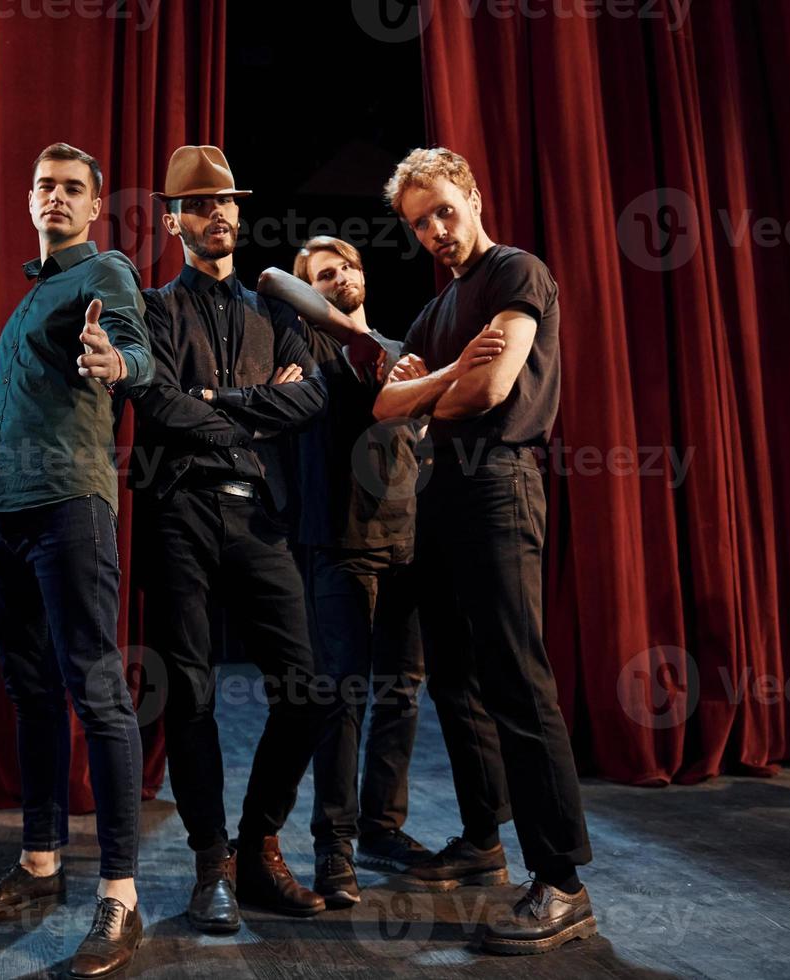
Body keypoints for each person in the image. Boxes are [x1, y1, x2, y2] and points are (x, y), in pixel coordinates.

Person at [373, 146, 596, 955]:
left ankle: (564, 881)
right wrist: (435, 383)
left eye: (442, 211)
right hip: (440, 495)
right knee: (456, 680)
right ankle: (483, 841)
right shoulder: (439, 313)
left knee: (517, 678)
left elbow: (491, 390)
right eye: (418, 223)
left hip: (500, 483)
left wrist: (429, 389)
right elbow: (385, 403)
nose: (435, 231)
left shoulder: (515, 273)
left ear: (470, 192)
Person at [132, 145, 334, 934]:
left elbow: (310, 400)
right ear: (174, 219)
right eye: (202, 203)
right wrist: (249, 405)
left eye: (228, 202)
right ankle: (210, 863)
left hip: (261, 516)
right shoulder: (151, 309)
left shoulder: (275, 310)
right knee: (190, 695)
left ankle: (257, 846)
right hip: (181, 512)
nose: (219, 214)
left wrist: (213, 398)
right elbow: (154, 402)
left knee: (310, 687)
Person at [0, 142, 150, 979]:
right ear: (29, 200)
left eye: (74, 188)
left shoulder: (104, 272)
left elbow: (138, 353)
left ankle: (121, 897)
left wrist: (119, 364)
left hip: (71, 505)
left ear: (94, 205)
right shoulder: (28, 294)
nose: (57, 197)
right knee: (31, 691)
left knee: (96, 691)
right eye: (45, 186)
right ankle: (41, 865)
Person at [256, 240, 431, 909]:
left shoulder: (395, 345)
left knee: (402, 693)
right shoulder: (304, 349)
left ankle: (384, 827)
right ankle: (336, 847)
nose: (341, 277)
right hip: (337, 540)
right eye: (325, 273)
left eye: (349, 267)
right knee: (342, 697)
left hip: (405, 542)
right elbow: (272, 280)